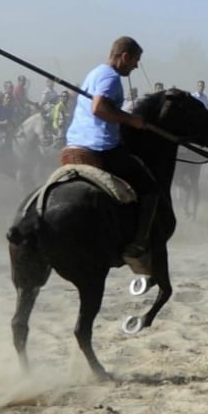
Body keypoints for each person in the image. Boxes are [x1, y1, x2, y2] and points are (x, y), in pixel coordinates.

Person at [64, 36, 157, 265]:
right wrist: (132, 121)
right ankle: (138, 243)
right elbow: (98, 108)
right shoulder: (112, 77)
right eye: (136, 60)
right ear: (124, 56)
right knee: (150, 188)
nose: (136, 65)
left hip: (73, 145)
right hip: (100, 147)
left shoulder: (95, 72)